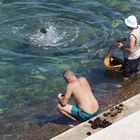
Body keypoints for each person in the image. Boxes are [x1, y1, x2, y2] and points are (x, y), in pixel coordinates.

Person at [116, 15, 140, 80]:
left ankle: (125, 87)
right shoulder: (139, 27)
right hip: (137, 54)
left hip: (131, 58)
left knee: (125, 75)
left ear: (129, 25)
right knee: (135, 68)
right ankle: (137, 78)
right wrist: (123, 39)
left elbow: (130, 50)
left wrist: (121, 47)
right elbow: (136, 39)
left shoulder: (132, 35)